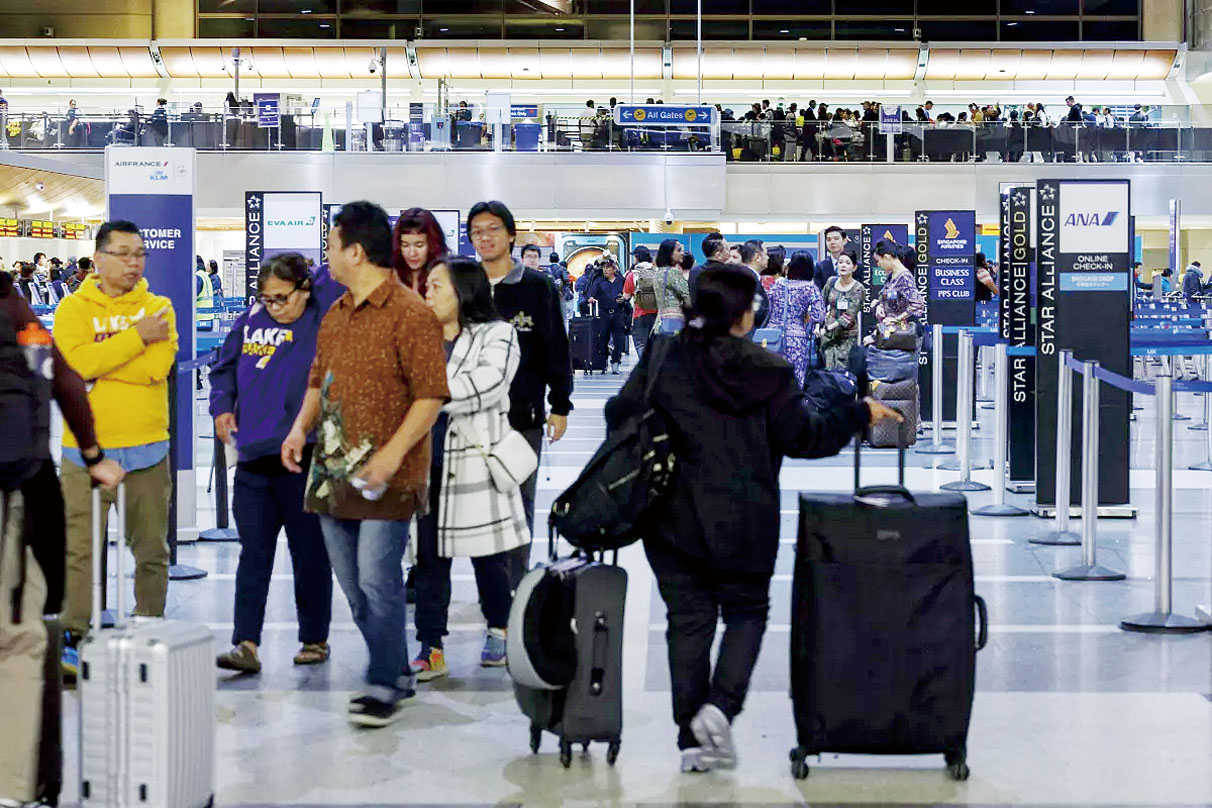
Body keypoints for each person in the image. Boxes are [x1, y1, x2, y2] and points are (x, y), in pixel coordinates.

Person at [604, 266, 902, 773]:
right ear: (748, 314)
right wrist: (859, 413)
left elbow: (618, 415)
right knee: (746, 612)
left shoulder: (662, 358)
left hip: (670, 518)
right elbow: (805, 438)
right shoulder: (769, 370)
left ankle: (691, 742)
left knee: (688, 621)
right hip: (746, 518)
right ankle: (720, 708)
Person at [281, 201, 449, 727]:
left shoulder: (411, 314)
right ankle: (395, 669)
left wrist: (392, 456)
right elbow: (317, 378)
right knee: (354, 589)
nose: (325, 255)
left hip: (390, 477)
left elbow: (430, 395)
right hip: (331, 471)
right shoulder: (334, 313)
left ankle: (382, 685)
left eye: (331, 245)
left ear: (355, 250)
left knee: (378, 583)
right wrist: (299, 429)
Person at [0, 271, 124, 808]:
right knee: (19, 637)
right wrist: (94, 455)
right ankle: (16, 785)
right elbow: (66, 381)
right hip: (14, 488)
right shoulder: (17, 312)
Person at [53, 220, 178, 675]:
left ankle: (151, 632)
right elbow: (76, 364)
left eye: (140, 254)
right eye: (124, 253)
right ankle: (73, 635)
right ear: (99, 258)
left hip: (147, 450)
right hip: (84, 454)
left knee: (150, 550)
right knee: (79, 551)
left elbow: (156, 367)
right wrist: (133, 339)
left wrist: (101, 363)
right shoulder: (73, 309)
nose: (134, 263)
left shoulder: (159, 306)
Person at [209, 253, 333, 674]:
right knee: (254, 553)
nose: (274, 307)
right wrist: (223, 407)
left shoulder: (321, 320)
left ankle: (314, 638)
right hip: (254, 459)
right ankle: (246, 643)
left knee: (310, 552)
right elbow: (222, 370)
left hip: (304, 457)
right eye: (266, 298)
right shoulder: (251, 320)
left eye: (282, 297)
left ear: (304, 289)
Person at [410, 257, 529, 680]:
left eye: (437, 286)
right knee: (428, 561)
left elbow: (487, 386)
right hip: (427, 465)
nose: (428, 292)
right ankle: (430, 645)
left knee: (490, 558)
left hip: (477, 467)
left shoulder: (498, 335)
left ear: (463, 292)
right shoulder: (418, 336)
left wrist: (423, 396)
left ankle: (499, 627)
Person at [466, 201, 572, 585]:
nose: (485, 237)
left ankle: (513, 590)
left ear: (511, 234)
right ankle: (491, 592)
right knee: (475, 510)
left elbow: (555, 349)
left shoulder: (536, 286)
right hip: (468, 422)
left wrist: (560, 405)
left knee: (516, 507)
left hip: (521, 418)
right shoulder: (463, 284)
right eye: (477, 231)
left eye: (493, 229)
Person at [766, 251, 826, 387]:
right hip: (796, 338)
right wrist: (806, 319)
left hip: (772, 336)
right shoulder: (810, 288)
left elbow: (767, 308)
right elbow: (820, 315)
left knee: (771, 378)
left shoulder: (778, 285)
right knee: (795, 379)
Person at [820, 250, 865, 371]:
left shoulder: (858, 289)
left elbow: (849, 316)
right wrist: (817, 325)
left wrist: (828, 328)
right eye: (840, 262)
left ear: (854, 267)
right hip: (828, 337)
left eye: (847, 263)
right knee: (828, 371)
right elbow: (820, 303)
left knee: (842, 372)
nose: (843, 265)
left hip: (847, 336)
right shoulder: (831, 282)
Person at [869, 239, 926, 334]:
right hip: (891, 330)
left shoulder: (904, 277)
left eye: (879, 261)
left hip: (902, 333)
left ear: (886, 257)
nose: (879, 265)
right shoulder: (891, 276)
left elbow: (917, 305)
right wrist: (880, 306)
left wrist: (897, 319)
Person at [392, 206, 449, 297]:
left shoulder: (445, 279)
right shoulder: (391, 278)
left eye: (419, 245)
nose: (412, 253)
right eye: (405, 245)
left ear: (432, 246)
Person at [586, 257, 628, 374]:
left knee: (618, 340)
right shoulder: (598, 281)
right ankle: (603, 361)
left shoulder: (621, 280)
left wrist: (624, 299)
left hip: (618, 313)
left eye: (608, 268)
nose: (605, 270)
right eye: (603, 268)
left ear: (614, 269)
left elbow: (628, 293)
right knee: (603, 338)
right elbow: (591, 293)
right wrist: (591, 298)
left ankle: (615, 362)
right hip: (604, 314)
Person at [651, 239, 691, 336]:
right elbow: (688, 298)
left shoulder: (658, 272)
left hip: (659, 322)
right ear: (669, 253)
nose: (682, 253)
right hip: (675, 323)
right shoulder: (673, 273)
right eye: (679, 250)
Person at [623, 251, 659, 359]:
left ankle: (645, 367)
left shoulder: (632, 275)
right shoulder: (657, 273)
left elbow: (626, 296)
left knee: (640, 343)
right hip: (656, 314)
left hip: (640, 314)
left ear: (637, 258)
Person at [738, 239, 772, 333]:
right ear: (757, 257)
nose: (768, 257)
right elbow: (756, 312)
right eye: (766, 254)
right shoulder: (748, 279)